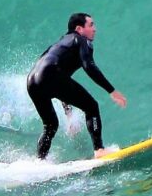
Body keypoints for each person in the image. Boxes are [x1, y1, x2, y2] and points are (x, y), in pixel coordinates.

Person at [26, 13, 127, 159]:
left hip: (32, 81)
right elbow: (89, 66)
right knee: (91, 106)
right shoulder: (80, 40)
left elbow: (59, 81)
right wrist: (111, 91)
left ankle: (40, 162)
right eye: (91, 25)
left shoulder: (60, 45)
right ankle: (99, 150)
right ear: (79, 28)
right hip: (50, 76)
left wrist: (69, 115)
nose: (95, 29)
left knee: (50, 126)